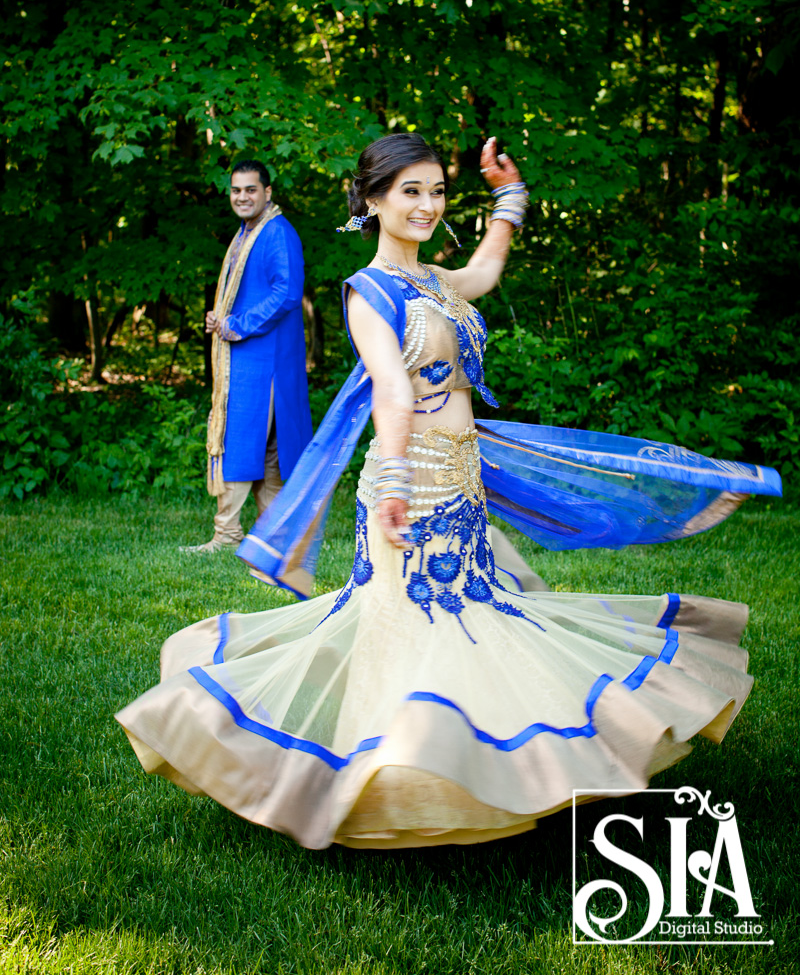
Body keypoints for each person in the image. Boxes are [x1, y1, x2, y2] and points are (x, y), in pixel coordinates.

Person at [119, 134, 780, 850]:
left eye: (437, 191)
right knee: (411, 629)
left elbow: (486, 272)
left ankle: (481, 764)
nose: (428, 205)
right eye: (411, 192)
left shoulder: (433, 280)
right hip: (412, 483)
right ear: (371, 201)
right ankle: (383, 779)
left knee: (470, 618)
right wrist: (397, 484)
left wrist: (510, 198)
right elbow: (393, 393)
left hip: (460, 478)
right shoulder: (367, 293)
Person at [183, 160, 313, 553]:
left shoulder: (276, 232)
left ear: (267, 192)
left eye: (250, 189)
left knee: (243, 440)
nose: (242, 197)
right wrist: (221, 316)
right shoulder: (248, 232)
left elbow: (288, 292)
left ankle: (229, 534)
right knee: (266, 446)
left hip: (264, 361)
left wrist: (238, 324)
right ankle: (271, 535)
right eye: (236, 190)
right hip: (250, 358)